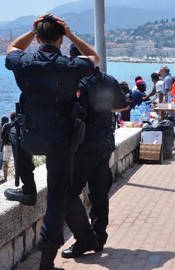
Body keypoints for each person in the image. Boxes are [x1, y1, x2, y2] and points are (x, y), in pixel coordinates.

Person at [4, 14, 98, 269]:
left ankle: (28, 187)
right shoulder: (70, 65)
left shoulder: (24, 62)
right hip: (62, 141)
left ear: (37, 38)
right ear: (60, 39)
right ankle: (47, 260)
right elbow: (94, 58)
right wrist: (72, 35)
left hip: (31, 137)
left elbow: (10, 49)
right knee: (57, 198)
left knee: (13, 132)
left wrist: (31, 29)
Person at [61, 45, 129, 258]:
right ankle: (99, 237)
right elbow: (122, 106)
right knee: (100, 194)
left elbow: (74, 115)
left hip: (85, 147)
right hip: (105, 143)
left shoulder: (79, 83)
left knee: (67, 194)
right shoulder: (109, 80)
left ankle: (84, 239)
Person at [1, 113, 16, 183]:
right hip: (16, 145)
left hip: (7, 146)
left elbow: (2, 136)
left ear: (10, 118)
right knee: (17, 161)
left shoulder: (6, 125)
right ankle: (17, 175)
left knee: (5, 162)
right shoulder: (18, 124)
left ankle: (5, 178)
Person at [0, 116, 9, 183]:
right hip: (7, 147)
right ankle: (5, 178)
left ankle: (5, 179)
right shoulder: (9, 126)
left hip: (2, 147)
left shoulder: (1, 127)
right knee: (5, 163)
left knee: (3, 163)